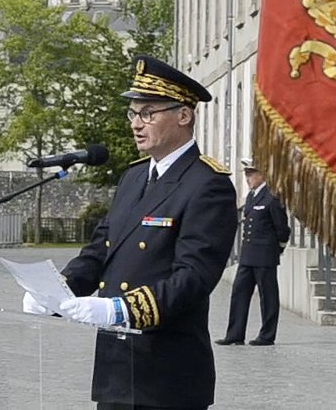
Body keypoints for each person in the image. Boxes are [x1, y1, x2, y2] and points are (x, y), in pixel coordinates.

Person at [26, 55, 238, 410]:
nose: (136, 124)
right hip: (116, 368)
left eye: (148, 113)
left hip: (168, 373)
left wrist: (119, 310)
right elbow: (100, 250)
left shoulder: (207, 185)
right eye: (133, 113)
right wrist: (56, 291)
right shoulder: (134, 177)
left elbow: (194, 277)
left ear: (183, 115)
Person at [216, 158, 290, 347]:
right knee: (239, 293)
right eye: (246, 174)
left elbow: (282, 229)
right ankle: (235, 334)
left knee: (268, 297)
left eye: (251, 174)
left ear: (262, 175)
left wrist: (278, 249)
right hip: (248, 255)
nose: (248, 178)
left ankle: (267, 336)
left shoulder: (272, 197)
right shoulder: (251, 197)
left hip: (265, 256)